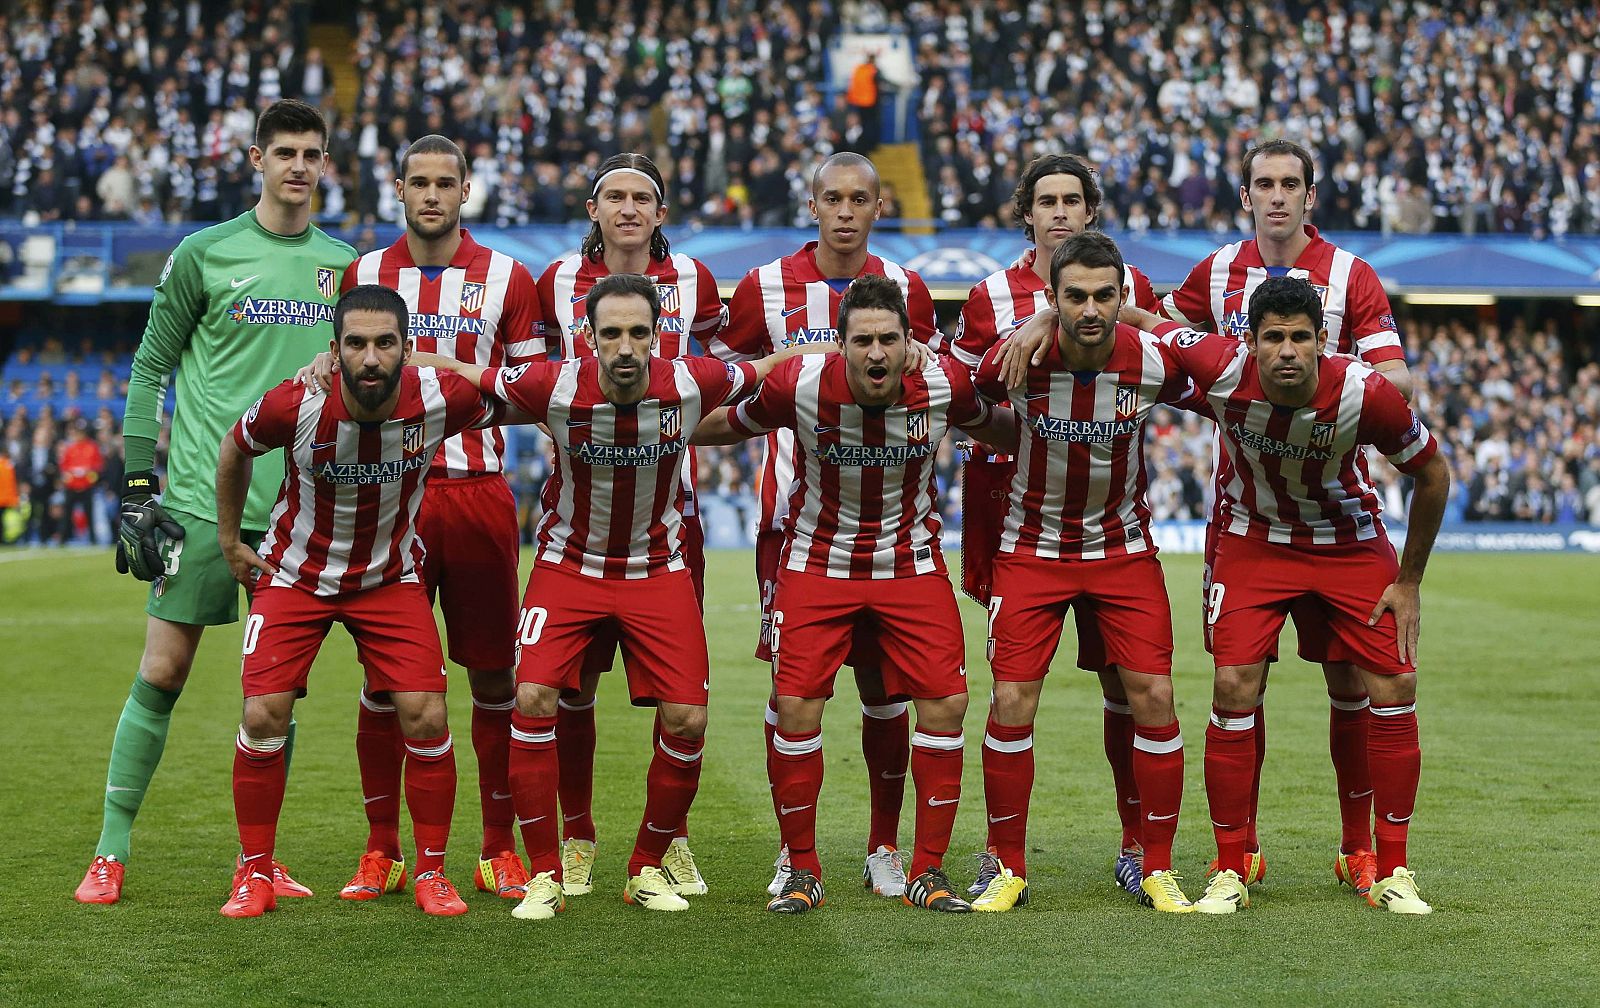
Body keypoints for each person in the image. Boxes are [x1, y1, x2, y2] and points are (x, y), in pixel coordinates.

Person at [414, 273, 800, 922]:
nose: (625, 347)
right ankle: (545, 875)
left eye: (638, 333)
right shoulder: (552, 383)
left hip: (658, 571)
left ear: (658, 337)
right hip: (568, 569)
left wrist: (856, 351)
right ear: (587, 337)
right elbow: (464, 372)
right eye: (611, 333)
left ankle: (645, 866)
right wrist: (348, 359)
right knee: (532, 698)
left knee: (688, 719)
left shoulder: (690, 380)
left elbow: (766, 366)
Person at [75, 98, 357, 905]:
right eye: (285, 152)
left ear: (326, 164)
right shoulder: (204, 253)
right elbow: (148, 368)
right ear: (257, 161)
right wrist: (137, 484)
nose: (299, 166)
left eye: (313, 153)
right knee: (163, 671)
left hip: (299, 513)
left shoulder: (343, 265)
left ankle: (260, 862)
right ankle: (110, 851)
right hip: (203, 502)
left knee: (275, 695)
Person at [694, 274, 1018, 914]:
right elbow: (730, 425)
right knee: (795, 708)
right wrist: (648, 424)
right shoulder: (800, 387)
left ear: (910, 343)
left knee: (947, 704)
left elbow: (1001, 429)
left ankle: (926, 870)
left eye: (889, 340)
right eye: (863, 341)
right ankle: (803, 870)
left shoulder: (945, 386)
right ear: (839, 345)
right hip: (817, 566)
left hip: (911, 567)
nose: (876, 353)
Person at [1149, 138, 1414, 894]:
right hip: (1249, 517)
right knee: (1238, 684)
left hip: (1339, 521)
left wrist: (1314, 390)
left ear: (1310, 194)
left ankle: (1360, 850)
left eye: (1289, 184)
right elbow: (1157, 329)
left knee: (1352, 684)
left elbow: (1393, 376)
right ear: (1244, 196)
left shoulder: (1349, 277)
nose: (1276, 196)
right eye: (1262, 184)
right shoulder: (1217, 271)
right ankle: (1241, 853)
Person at [215, 284, 503, 918]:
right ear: (334, 350)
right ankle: (255, 871)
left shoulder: (437, 398)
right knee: (263, 714)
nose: (370, 359)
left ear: (406, 349)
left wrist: (450, 364)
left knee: (426, 714)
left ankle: (431, 871)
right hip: (297, 576)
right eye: (355, 344)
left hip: (388, 578)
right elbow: (235, 446)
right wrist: (232, 541)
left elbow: (520, 396)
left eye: (384, 344)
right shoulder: (297, 404)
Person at [706, 151, 939, 900]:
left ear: (879, 207)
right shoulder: (763, 286)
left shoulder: (908, 292)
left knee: (885, 688)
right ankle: (792, 850)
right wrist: (785, 359)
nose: (844, 211)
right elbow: (722, 374)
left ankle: (882, 848)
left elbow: (930, 386)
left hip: (894, 527)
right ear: (813, 206)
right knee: (791, 692)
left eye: (858, 199)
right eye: (831, 198)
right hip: (793, 519)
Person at [947, 153, 1166, 898]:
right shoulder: (985, 297)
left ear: (1091, 212)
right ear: (1027, 213)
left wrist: (1050, 314)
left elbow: (1172, 345)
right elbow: (963, 392)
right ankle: (1001, 855)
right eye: (1048, 200)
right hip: (1018, 517)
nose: (1062, 211)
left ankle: (1138, 843)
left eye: (1075, 199)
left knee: (1124, 683)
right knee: (1012, 690)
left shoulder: (1125, 290)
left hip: (1113, 522)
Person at [335, 134, 544, 904]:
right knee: (385, 681)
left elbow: (529, 387)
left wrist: (458, 381)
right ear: (398, 189)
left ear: (466, 190)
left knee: (494, 675)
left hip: (478, 493)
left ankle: (497, 847)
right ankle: (381, 848)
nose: (431, 195)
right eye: (417, 182)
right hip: (388, 500)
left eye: (444, 183)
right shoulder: (363, 275)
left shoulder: (506, 277)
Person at [535, 152, 725, 898]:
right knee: (569, 690)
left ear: (661, 213)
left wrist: (673, 430)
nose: (628, 208)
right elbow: (532, 376)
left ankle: (667, 839)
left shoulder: (695, 283)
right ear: (592, 209)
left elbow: (725, 373)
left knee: (677, 690)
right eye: (614, 195)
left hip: (669, 517)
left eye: (643, 196)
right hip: (576, 517)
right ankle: (576, 836)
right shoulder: (554, 282)